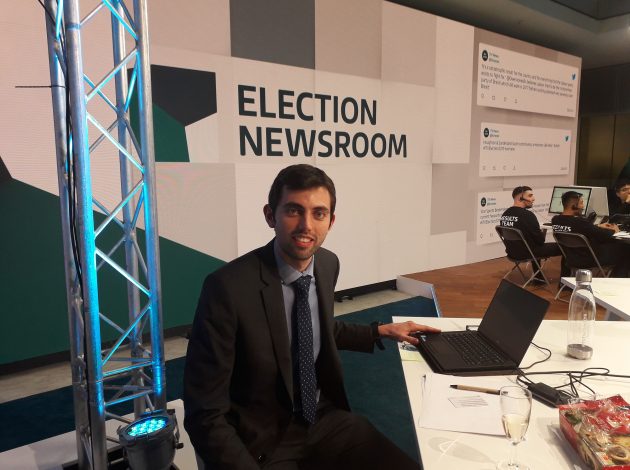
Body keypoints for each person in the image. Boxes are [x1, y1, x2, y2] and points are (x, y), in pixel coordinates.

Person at [184, 164, 439, 469]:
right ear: (270, 215)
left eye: (318, 213)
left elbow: (313, 328)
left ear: (330, 221)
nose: (307, 225)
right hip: (263, 442)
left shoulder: (327, 264)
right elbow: (205, 412)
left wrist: (379, 331)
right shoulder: (227, 288)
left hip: (322, 418)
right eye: (294, 210)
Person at [551, 190, 630, 277]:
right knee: (626, 249)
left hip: (571, 258)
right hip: (590, 259)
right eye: (581, 203)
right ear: (574, 206)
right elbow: (603, 235)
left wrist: (598, 225)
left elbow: (585, 228)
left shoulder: (555, 220)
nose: (583, 206)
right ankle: (617, 282)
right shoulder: (580, 223)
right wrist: (615, 230)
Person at [499, 185, 567, 280]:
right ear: (520, 198)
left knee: (532, 244)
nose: (533, 199)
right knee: (565, 247)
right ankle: (565, 282)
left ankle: (538, 277)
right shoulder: (528, 215)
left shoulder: (505, 214)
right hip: (527, 253)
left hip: (512, 253)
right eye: (530, 196)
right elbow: (540, 241)